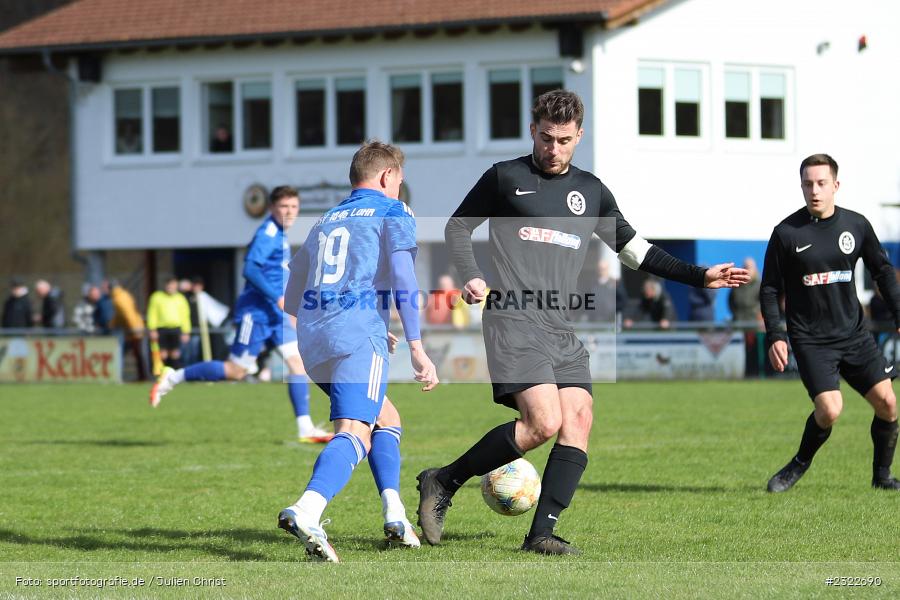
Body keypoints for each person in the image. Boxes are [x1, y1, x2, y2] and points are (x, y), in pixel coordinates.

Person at [417, 89, 749, 555]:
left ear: (580, 137)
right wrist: (471, 274)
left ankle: (541, 535)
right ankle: (442, 482)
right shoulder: (504, 178)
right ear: (533, 130)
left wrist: (698, 276)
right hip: (512, 316)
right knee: (543, 421)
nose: (554, 149)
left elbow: (636, 251)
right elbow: (456, 227)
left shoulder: (591, 192)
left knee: (579, 418)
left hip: (559, 325)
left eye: (565, 140)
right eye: (547, 138)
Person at [277, 140, 439, 562]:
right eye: (400, 180)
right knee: (354, 431)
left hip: (314, 340)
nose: (401, 188)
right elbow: (404, 278)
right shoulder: (393, 211)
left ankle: (396, 515)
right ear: (388, 177)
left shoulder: (325, 220)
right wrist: (417, 347)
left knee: (386, 418)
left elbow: (291, 297)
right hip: (355, 335)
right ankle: (307, 509)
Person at [149, 186, 333, 444]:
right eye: (284, 207)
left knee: (297, 364)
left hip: (273, 314)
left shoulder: (280, 234)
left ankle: (305, 428)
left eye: (293, 207)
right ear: (271, 208)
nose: (290, 212)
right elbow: (250, 269)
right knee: (235, 371)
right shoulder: (268, 233)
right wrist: (277, 296)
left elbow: (277, 272)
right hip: (256, 313)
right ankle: (173, 376)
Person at [761, 153, 900, 493]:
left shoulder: (856, 225)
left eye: (822, 183)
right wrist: (776, 335)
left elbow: (882, 272)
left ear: (836, 185)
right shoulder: (786, 233)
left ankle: (881, 477)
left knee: (888, 404)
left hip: (854, 336)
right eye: (808, 183)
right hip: (811, 341)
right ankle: (798, 464)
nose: (815, 190)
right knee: (830, 409)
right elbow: (769, 288)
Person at [146, 277, 191, 369]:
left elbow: (185, 316)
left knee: (175, 353)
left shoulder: (180, 298)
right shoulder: (157, 297)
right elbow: (152, 314)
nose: (171, 287)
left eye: (173, 285)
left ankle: (174, 375)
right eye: (169, 285)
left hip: (176, 329)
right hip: (162, 329)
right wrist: (152, 329)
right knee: (163, 354)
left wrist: (186, 331)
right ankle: (162, 374)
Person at [109, 280, 149, 381]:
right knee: (137, 354)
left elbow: (128, 314)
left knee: (137, 354)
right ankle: (142, 376)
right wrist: (113, 323)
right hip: (134, 327)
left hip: (134, 330)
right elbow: (121, 315)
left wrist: (133, 329)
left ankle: (143, 376)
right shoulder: (123, 295)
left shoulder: (118, 298)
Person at [728, 257, 762, 323]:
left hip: (754, 324)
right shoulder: (736, 284)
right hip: (738, 322)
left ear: (755, 269)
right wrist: (736, 314)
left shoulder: (759, 286)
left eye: (749, 267)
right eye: (745, 267)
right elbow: (730, 301)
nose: (747, 269)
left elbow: (764, 303)